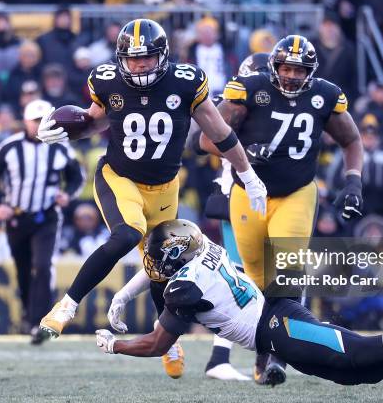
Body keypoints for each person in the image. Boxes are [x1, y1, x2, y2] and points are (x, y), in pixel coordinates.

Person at [36, 19, 267, 380]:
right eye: (132, 59)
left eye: (147, 59)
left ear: (163, 56)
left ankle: (168, 340)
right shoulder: (107, 80)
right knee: (128, 233)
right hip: (119, 176)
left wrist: (248, 175)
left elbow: (220, 133)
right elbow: (96, 122)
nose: (139, 65)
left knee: (165, 267)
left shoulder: (186, 82)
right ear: (120, 58)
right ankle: (67, 305)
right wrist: (61, 132)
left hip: (164, 185)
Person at [97, 219, 383, 389]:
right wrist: (125, 295)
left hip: (276, 324)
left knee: (359, 351)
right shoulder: (205, 250)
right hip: (273, 323)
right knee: (363, 374)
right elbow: (158, 274)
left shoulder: (182, 288)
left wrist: (113, 344)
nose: (154, 265)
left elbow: (156, 344)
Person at [198, 35, 364, 384]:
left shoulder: (325, 96)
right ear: (273, 66)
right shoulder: (249, 89)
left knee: (285, 270)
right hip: (249, 194)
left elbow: (351, 140)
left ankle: (277, 356)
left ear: (311, 72)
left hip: (296, 192)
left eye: (299, 69)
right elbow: (205, 140)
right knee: (255, 281)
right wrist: (241, 153)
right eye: (286, 67)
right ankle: (263, 355)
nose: (290, 75)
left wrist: (353, 181)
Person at [0, 99, 84, 344]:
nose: (39, 125)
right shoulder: (10, 147)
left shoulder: (60, 147)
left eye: (44, 121)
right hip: (17, 217)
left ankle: (41, 322)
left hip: (47, 216)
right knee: (23, 268)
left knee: (43, 264)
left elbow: (76, 177)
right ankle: (29, 317)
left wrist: (67, 194)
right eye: (35, 121)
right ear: (25, 122)